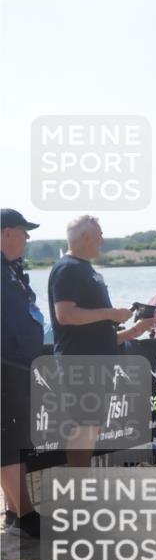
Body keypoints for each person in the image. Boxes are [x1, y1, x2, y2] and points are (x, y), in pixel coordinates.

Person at [47, 216, 134, 467]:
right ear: (85, 237)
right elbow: (66, 315)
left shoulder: (86, 268)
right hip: (80, 362)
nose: (102, 240)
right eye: (99, 235)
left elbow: (93, 321)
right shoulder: (68, 268)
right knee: (82, 429)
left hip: (96, 362)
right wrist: (110, 314)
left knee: (90, 429)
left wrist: (125, 324)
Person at [1, 209, 44, 538]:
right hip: (5, 364)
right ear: (5, 232)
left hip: (17, 363)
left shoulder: (11, 269)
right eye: (23, 231)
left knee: (13, 440)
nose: (28, 237)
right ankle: (26, 515)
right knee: (9, 440)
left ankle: (16, 512)